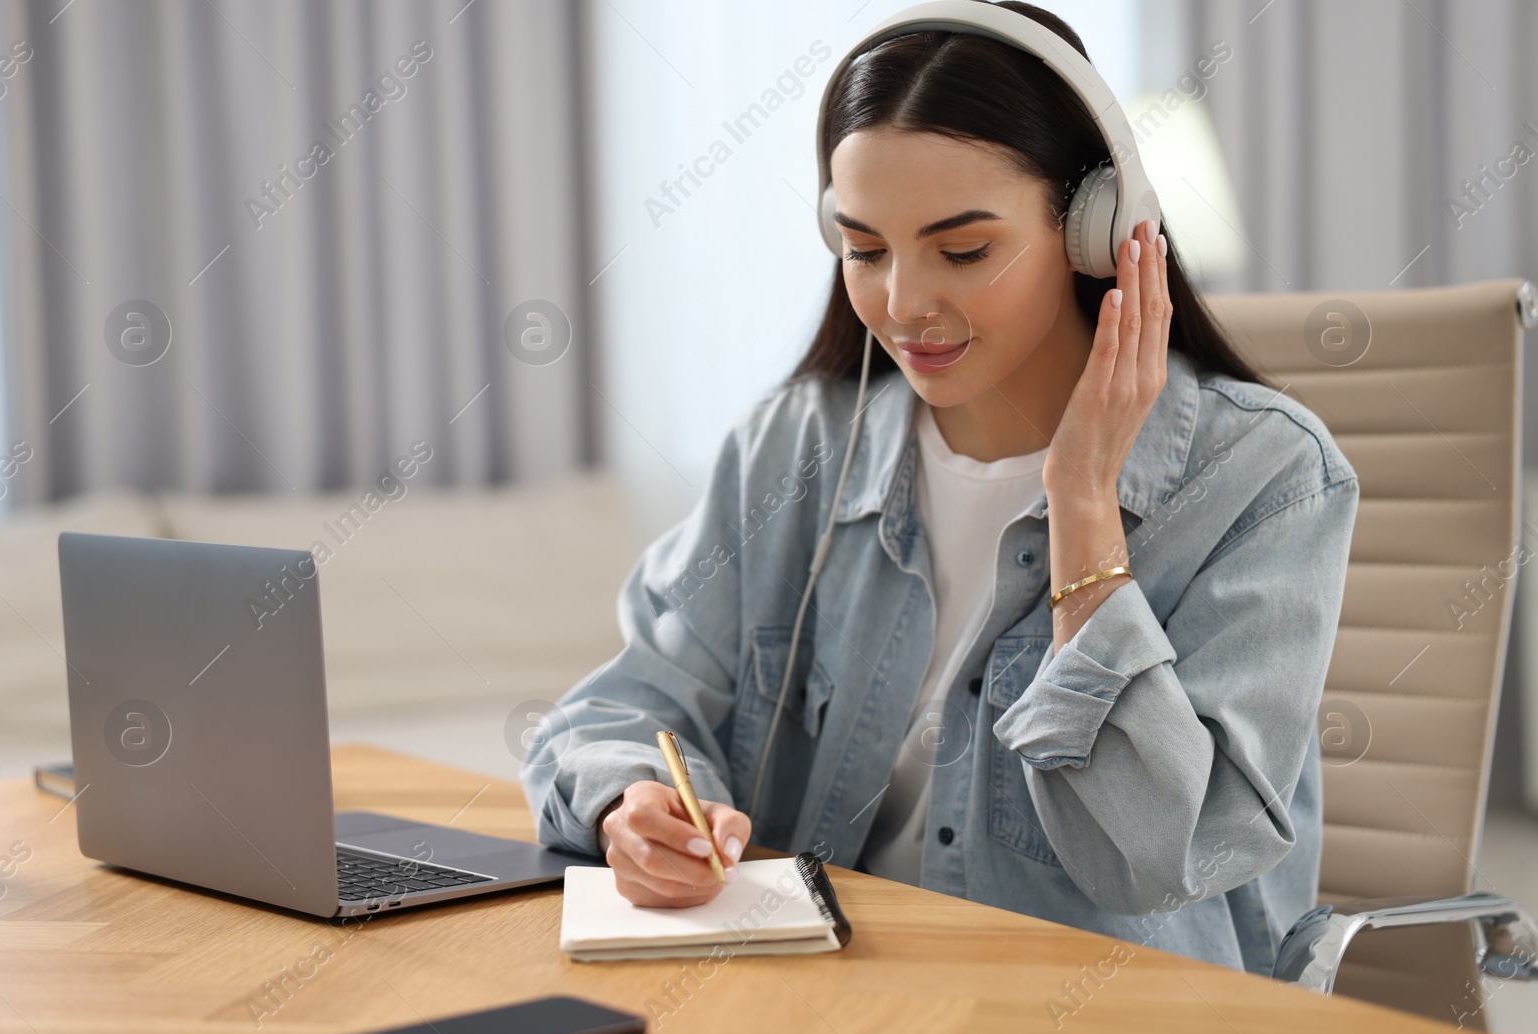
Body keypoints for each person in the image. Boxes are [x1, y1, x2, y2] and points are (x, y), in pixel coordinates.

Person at [519, 0, 1358, 975]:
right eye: (864, 248)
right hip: (832, 1010)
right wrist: (634, 801)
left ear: (1094, 229)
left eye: (962, 251)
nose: (902, 303)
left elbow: (1159, 855)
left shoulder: (1264, 476)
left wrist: (1085, 509)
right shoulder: (797, 447)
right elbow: (622, 702)